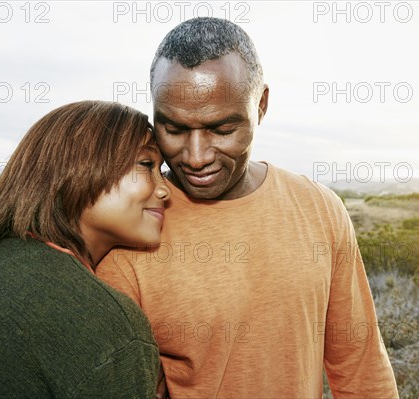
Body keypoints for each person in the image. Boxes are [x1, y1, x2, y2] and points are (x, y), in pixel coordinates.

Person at [96, 18, 399, 398]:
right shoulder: (131, 228)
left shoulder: (320, 209)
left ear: (261, 105)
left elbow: (359, 366)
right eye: (172, 129)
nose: (195, 156)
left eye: (222, 130)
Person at [0, 101, 171, 398]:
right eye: (146, 165)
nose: (164, 189)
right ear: (77, 168)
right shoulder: (95, 317)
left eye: (162, 171)